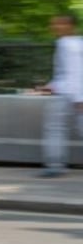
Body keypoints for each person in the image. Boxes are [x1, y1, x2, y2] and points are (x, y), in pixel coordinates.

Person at [35, 13, 83, 177]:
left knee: (55, 129)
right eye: (53, 24)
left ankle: (55, 166)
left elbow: (76, 72)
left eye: (59, 24)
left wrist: (79, 98)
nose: (54, 27)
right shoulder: (72, 42)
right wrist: (48, 87)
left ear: (70, 26)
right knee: (55, 128)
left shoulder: (68, 44)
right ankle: (55, 166)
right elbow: (64, 74)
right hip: (65, 92)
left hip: (71, 94)